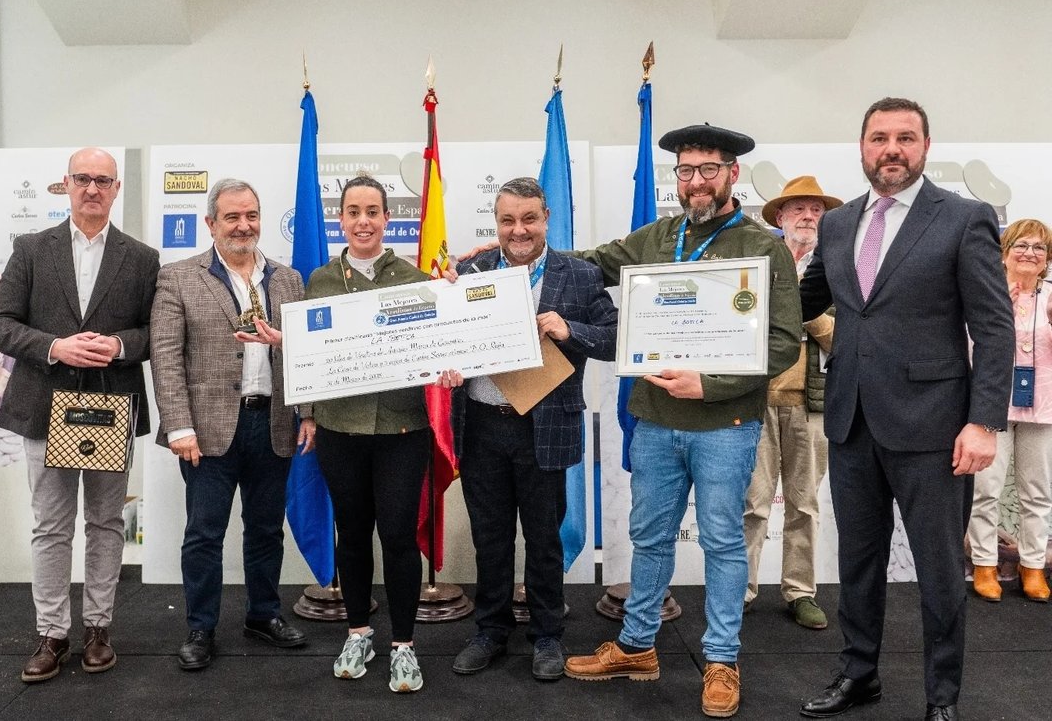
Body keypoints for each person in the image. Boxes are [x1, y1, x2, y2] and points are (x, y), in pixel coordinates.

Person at [561, 124, 802, 719]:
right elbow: (590, 264)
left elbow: (783, 343)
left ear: (731, 175)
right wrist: (512, 258)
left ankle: (721, 660)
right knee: (649, 536)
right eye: (686, 171)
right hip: (656, 420)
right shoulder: (658, 236)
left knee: (721, 541)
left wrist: (711, 383)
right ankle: (638, 646)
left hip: (726, 421)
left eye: (708, 170)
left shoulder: (764, 246)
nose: (695, 182)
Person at [797, 98, 1012, 721]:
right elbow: (803, 298)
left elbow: (994, 327)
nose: (891, 148)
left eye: (905, 137)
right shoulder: (837, 227)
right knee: (858, 564)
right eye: (878, 137)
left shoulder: (964, 217)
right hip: (851, 421)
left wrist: (984, 420)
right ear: (860, 147)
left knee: (941, 573)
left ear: (924, 146)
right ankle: (858, 674)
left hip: (937, 429)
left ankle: (942, 696)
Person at [0, 148, 160, 683]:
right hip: (44, 405)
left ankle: (98, 629)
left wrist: (118, 345)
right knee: (50, 526)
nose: (91, 188)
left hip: (110, 405)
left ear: (116, 188)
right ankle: (52, 634)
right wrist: (57, 345)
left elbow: (156, 333)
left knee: (108, 522)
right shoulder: (32, 249)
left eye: (102, 180)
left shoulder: (142, 257)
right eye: (82, 178)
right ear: (65, 185)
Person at [449, 177, 617, 682]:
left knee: (545, 538)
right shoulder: (468, 271)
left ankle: (547, 635)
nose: (518, 230)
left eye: (528, 219)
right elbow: (444, 335)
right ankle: (490, 631)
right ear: (495, 224)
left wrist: (571, 330)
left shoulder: (582, 276)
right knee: (490, 537)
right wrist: (447, 361)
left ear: (546, 218)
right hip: (482, 424)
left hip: (544, 427)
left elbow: (616, 337)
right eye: (507, 220)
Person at [305, 174, 458, 694]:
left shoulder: (418, 279)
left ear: (388, 220)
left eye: (373, 211)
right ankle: (359, 633)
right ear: (341, 219)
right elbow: (310, 357)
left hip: (401, 426)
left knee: (396, 535)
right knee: (351, 533)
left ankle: (404, 646)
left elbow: (439, 344)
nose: (363, 221)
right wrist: (306, 409)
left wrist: (448, 364)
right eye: (353, 211)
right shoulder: (320, 281)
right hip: (338, 427)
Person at [150, 178, 311, 671]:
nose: (244, 226)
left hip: (274, 424)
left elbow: (304, 353)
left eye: (252, 216)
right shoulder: (178, 276)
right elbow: (165, 356)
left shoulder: (288, 280)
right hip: (207, 430)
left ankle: (263, 614)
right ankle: (201, 627)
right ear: (211, 223)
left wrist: (308, 413)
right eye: (232, 217)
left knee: (265, 530)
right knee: (204, 533)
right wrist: (179, 426)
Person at [743, 176, 840, 629]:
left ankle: (800, 591)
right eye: (797, 209)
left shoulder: (842, 271)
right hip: (756, 401)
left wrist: (803, 307)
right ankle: (739, 590)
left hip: (812, 406)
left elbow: (845, 340)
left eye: (816, 210)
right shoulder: (760, 266)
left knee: (805, 504)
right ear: (779, 218)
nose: (807, 217)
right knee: (752, 503)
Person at [966, 218, 1052, 603]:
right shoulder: (987, 294)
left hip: (1044, 404)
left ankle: (1032, 566)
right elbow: (968, 345)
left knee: (1037, 492)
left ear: (1047, 258)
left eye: (1038, 247)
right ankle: (984, 563)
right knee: (986, 489)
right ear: (1004, 253)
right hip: (993, 402)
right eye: (1020, 245)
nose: (1029, 253)